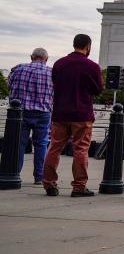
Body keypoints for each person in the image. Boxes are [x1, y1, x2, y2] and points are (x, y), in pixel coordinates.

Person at [42, 34, 103, 197]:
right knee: (81, 149)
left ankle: (49, 184)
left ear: (74, 44)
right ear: (88, 47)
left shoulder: (59, 64)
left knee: (54, 147)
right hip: (82, 113)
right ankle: (79, 186)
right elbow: (98, 89)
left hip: (60, 112)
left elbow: (55, 82)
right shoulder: (92, 66)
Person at [8, 48, 53, 185]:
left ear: (31, 57)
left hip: (20, 112)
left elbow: (9, 85)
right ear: (46, 58)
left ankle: (14, 173)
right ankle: (39, 177)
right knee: (41, 144)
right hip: (43, 112)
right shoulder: (52, 73)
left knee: (19, 144)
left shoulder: (18, 69)